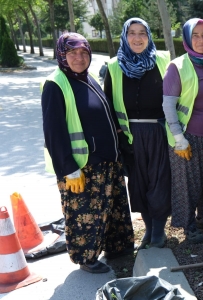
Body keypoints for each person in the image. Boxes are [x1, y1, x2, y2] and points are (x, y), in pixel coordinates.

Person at [41, 33, 134, 273]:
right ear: (62, 55)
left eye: (84, 52)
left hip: (106, 161)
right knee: (85, 215)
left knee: (111, 208)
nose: (79, 58)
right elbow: (54, 132)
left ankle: (117, 248)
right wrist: (69, 169)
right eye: (72, 53)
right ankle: (86, 258)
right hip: (82, 166)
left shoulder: (87, 77)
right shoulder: (56, 84)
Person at [103, 18, 172, 249]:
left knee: (160, 181)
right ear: (124, 36)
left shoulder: (162, 60)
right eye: (132, 33)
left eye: (142, 32)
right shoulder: (114, 67)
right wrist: (120, 137)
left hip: (159, 132)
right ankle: (149, 229)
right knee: (138, 184)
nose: (137, 38)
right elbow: (109, 105)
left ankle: (159, 231)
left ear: (149, 35)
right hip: (130, 136)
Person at [163, 18, 203, 244]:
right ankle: (188, 225)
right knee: (187, 184)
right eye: (195, 35)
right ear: (187, 39)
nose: (201, 40)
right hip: (186, 138)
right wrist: (179, 138)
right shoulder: (177, 67)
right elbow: (168, 106)